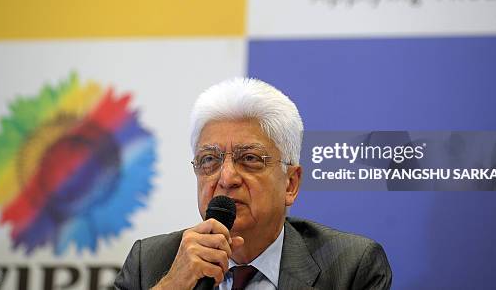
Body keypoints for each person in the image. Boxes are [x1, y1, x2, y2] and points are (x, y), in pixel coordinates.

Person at [115, 78, 392, 290]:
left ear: (290, 184)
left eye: (249, 158)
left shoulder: (350, 267)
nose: (226, 178)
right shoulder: (149, 263)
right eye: (209, 159)